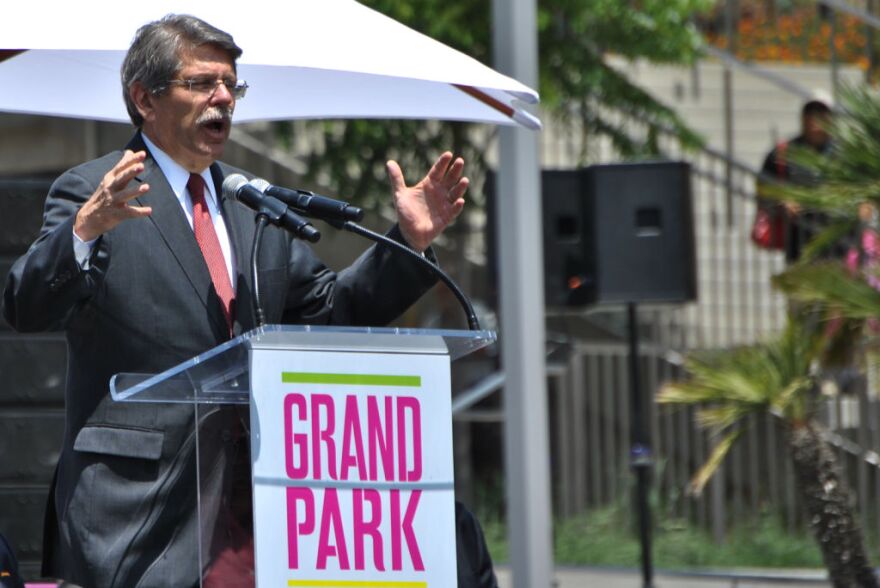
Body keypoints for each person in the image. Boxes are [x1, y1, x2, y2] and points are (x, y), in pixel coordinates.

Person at [2, 14, 494, 587]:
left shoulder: (251, 200)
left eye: (231, 85)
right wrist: (84, 232)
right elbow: (27, 305)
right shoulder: (94, 190)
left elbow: (331, 313)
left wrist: (406, 243)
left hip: (262, 503)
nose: (222, 99)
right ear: (145, 99)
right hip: (139, 511)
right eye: (201, 84)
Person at [754, 94, 835, 263]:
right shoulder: (784, 153)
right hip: (799, 242)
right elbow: (763, 189)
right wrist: (782, 201)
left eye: (821, 114)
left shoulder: (843, 154)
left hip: (838, 244)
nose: (814, 120)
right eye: (810, 113)